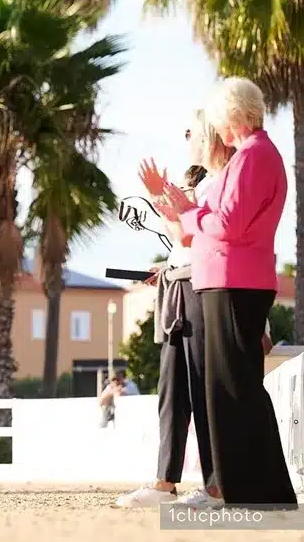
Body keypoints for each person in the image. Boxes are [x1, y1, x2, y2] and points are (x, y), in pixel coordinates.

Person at [154, 77, 297, 508]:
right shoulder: (251, 156)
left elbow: (228, 224)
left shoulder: (254, 156)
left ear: (232, 114)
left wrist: (189, 214)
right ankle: (249, 489)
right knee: (228, 388)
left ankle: (257, 490)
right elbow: (222, 218)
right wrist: (189, 212)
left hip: (238, 280)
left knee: (235, 388)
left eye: (217, 117)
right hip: (227, 278)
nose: (214, 127)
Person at [117, 111, 234, 509]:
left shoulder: (220, 182)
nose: (187, 138)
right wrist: (166, 267)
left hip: (202, 289)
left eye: (192, 133)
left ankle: (216, 487)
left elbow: (195, 234)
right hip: (177, 289)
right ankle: (165, 482)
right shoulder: (203, 183)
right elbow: (182, 240)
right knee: (172, 392)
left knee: (202, 391)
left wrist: (163, 200)